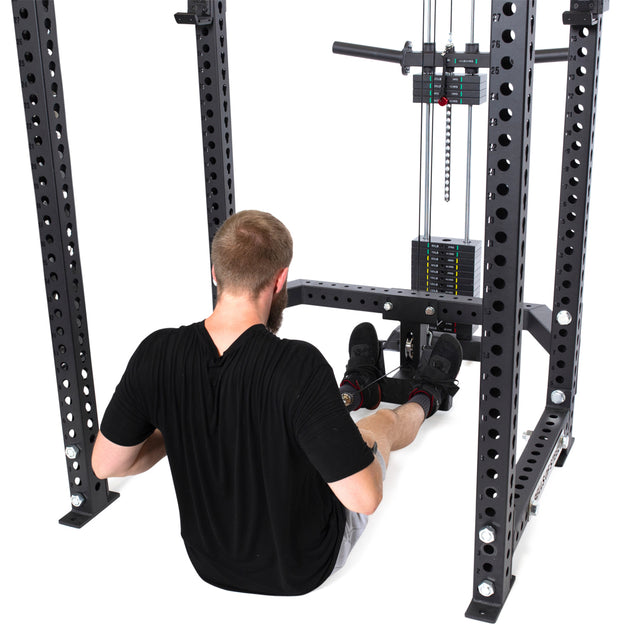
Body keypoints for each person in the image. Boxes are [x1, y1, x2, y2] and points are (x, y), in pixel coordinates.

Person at [92, 209, 463, 596]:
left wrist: (182, 418)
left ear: (215, 273)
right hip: (302, 567)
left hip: (209, 563)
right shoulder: (297, 366)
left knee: (305, 417)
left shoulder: (157, 354)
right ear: (281, 278)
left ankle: (356, 388)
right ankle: (428, 396)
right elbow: (365, 499)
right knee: (378, 426)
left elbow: (106, 464)